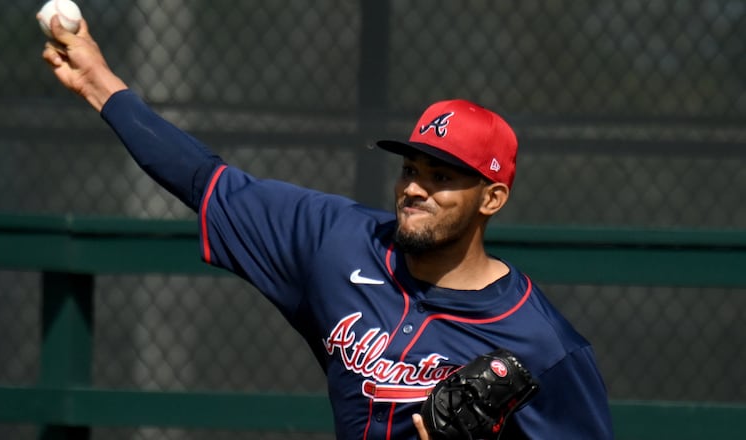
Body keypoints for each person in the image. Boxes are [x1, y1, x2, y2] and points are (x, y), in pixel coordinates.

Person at [40, 15, 614, 440]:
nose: (414, 187)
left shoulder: (542, 346)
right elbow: (202, 180)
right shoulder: (338, 242)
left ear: (492, 198)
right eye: (411, 168)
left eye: (441, 176)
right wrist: (97, 82)